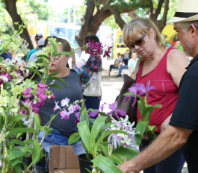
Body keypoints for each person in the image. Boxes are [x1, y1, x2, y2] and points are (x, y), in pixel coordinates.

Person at [118, 17, 189, 173]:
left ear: (152, 33)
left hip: (169, 138)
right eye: (131, 45)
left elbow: (191, 97)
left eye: (139, 41)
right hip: (146, 138)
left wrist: (172, 118)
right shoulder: (140, 63)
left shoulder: (173, 56)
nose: (136, 48)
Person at [37, 37, 85, 155]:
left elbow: (81, 103)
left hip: (78, 138)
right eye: (48, 54)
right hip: (50, 139)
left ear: (68, 56)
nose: (50, 58)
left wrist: (86, 128)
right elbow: (24, 103)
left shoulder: (74, 76)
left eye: (56, 55)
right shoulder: (39, 77)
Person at [80, 35, 102, 110]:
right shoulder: (97, 57)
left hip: (90, 94)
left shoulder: (93, 59)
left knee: (89, 119)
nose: (83, 46)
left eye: (84, 44)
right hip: (95, 93)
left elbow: (84, 78)